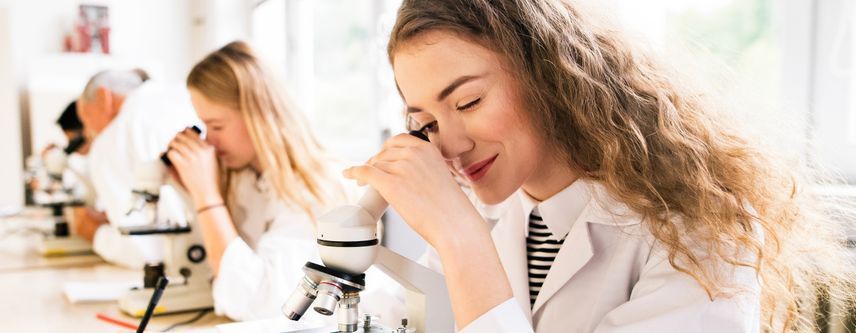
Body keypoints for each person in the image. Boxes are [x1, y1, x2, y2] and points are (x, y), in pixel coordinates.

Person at [343, 0, 856, 332]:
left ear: (547, 74)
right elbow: (411, 317)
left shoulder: (702, 232)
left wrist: (460, 237)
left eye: (469, 102)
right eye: (426, 122)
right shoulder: (494, 220)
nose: (449, 144)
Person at [165, 41, 350, 321]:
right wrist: (191, 191)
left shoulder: (312, 189)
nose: (210, 141)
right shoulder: (245, 175)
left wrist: (206, 197)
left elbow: (255, 303)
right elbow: (213, 271)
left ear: (258, 116)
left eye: (217, 126)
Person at [74, 69, 199, 268]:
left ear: (103, 97)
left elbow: (144, 252)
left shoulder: (111, 141)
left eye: (86, 119)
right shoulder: (185, 97)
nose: (89, 133)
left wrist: (94, 233)